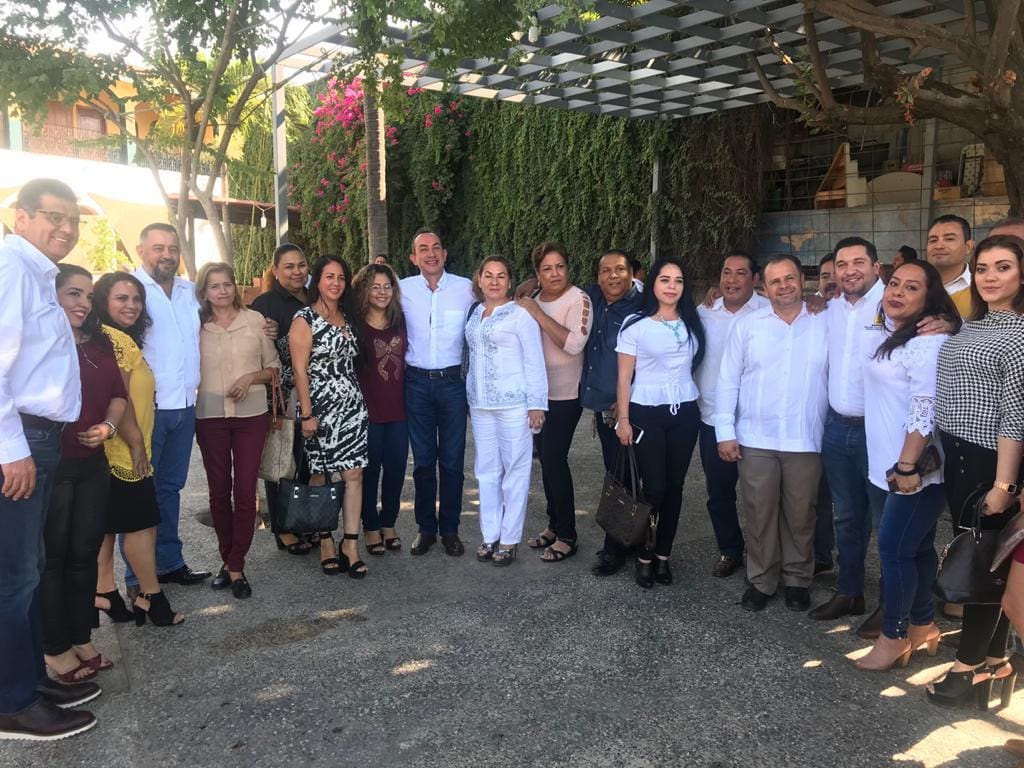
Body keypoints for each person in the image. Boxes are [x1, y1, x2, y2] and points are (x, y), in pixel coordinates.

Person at [0, 178, 97, 740]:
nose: (65, 227)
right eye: (53, 216)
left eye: (72, 219)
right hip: (21, 442)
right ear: (21, 217)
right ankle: (11, 702)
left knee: (28, 570)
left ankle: (30, 682)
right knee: (12, 577)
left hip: (41, 439)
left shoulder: (37, 274)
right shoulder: (11, 270)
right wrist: (11, 449)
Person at [927, 234, 1024, 708]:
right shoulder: (972, 325)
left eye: (1003, 267)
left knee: (983, 565)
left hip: (990, 461)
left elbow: (1015, 416)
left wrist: (1004, 485)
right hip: (959, 457)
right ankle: (996, 658)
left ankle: (967, 667)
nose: (990, 277)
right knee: (989, 560)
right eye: (983, 268)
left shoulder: (1020, 334)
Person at [855, 260, 958, 670]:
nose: (897, 292)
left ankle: (894, 635)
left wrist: (907, 466)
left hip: (913, 471)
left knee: (894, 549)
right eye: (894, 283)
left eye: (911, 288)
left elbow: (924, 408)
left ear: (929, 299)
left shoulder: (928, 342)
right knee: (916, 547)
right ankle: (922, 624)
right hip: (889, 464)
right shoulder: (898, 333)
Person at [715, 255, 828, 612]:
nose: (784, 286)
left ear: (802, 280)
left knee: (801, 514)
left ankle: (797, 579)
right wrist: (724, 432)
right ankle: (762, 579)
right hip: (756, 438)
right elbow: (727, 380)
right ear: (763, 287)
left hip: (804, 437)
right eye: (775, 281)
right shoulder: (748, 325)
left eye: (789, 278)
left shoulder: (825, 320)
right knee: (759, 512)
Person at [42, 265, 127, 684]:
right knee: (52, 558)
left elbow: (118, 395)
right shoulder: (42, 342)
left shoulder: (100, 342)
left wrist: (108, 427)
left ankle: (80, 636)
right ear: (51, 295)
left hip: (93, 463)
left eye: (88, 296)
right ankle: (53, 647)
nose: (83, 303)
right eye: (73, 293)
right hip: (53, 463)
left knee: (84, 554)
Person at [93, 272, 184, 628]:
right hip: (124, 452)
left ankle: (105, 592)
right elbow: (120, 398)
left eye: (136, 299)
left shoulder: (109, 337)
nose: (131, 305)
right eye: (121, 298)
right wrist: (136, 445)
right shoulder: (115, 340)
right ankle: (151, 596)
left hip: (111, 451)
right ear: (103, 301)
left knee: (108, 527)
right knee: (141, 527)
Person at [808, 237, 888, 631]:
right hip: (837, 429)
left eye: (859, 262)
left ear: (876, 267)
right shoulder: (830, 308)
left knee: (887, 522)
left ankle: (893, 606)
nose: (850, 270)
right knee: (847, 517)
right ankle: (849, 591)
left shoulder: (896, 304)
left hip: (881, 432)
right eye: (842, 264)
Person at [615, 258, 705, 589]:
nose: (671, 286)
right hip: (646, 412)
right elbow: (623, 378)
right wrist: (623, 419)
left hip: (685, 412)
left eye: (678, 280)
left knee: (675, 487)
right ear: (652, 283)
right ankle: (644, 554)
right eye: (665, 279)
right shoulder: (636, 324)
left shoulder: (693, 321)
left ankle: (664, 555)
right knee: (654, 487)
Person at [129, 223, 210, 587]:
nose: (167, 255)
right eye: (158, 247)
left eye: (172, 248)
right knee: (140, 493)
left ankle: (170, 563)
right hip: (147, 410)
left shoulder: (189, 291)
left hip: (185, 405)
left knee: (170, 490)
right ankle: (137, 577)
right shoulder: (130, 290)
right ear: (141, 250)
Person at [195, 263, 280, 600]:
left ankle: (235, 564)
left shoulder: (256, 321)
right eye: (214, 286)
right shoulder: (196, 327)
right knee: (218, 491)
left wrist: (250, 377)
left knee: (245, 491)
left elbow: (274, 367)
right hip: (210, 417)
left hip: (251, 417)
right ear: (204, 292)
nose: (222, 291)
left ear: (235, 287)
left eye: (227, 284)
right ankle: (228, 558)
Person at [289, 254, 369, 579]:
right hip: (319, 410)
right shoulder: (304, 319)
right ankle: (325, 540)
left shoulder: (349, 316)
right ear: (317, 281)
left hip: (352, 408)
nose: (335, 283)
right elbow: (299, 370)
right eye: (329, 277)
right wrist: (307, 414)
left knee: (354, 475)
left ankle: (350, 544)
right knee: (321, 475)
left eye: (341, 277)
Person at [466, 256, 547, 566]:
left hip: (514, 404)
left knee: (515, 470)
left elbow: (534, 359)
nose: (494, 281)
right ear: (480, 280)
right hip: (480, 404)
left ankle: (510, 538)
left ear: (510, 281)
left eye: (501, 276)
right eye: (488, 275)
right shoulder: (475, 313)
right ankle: (490, 534)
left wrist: (536, 404)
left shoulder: (520, 315)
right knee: (486, 471)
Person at [399, 229, 475, 557]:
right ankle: (426, 529)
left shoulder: (466, 289)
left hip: (453, 383)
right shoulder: (402, 290)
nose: (430, 254)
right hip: (415, 384)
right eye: (423, 249)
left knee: (453, 461)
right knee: (423, 461)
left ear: (444, 254)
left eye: (436, 248)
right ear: (413, 257)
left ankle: (451, 530)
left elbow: (500, 297)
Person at [516, 242, 592, 562]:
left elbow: (574, 344)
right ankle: (553, 524)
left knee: (554, 459)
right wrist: (530, 300)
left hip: (566, 395)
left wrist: (537, 313)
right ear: (537, 273)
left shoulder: (579, 299)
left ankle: (568, 535)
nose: (555, 273)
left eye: (560, 266)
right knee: (546, 461)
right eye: (547, 268)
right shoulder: (531, 298)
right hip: (536, 395)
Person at [695, 250, 768, 577]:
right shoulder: (704, 312)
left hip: (757, 420)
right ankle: (730, 550)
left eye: (741, 273)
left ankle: (765, 555)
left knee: (761, 496)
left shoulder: (769, 311)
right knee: (719, 492)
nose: (732, 280)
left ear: (755, 279)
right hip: (712, 419)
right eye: (727, 272)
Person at [581, 251, 643, 577]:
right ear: (598, 276)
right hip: (603, 407)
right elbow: (557, 288)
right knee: (617, 473)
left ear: (632, 273)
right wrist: (531, 282)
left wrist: (627, 399)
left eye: (620, 269)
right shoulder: (591, 297)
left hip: (630, 408)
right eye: (606, 270)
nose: (613, 276)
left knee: (625, 476)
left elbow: (652, 355)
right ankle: (630, 538)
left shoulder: (644, 306)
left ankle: (616, 548)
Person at [250, 243, 312, 555]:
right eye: (289, 266)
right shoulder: (265, 304)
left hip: (316, 391)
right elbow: (255, 349)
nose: (297, 271)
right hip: (283, 395)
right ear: (276, 271)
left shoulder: (315, 298)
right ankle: (283, 527)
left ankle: (305, 520)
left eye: (301, 265)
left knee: (309, 463)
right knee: (282, 462)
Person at [352, 263, 408, 555]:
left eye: (387, 286)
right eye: (375, 286)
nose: (382, 292)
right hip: (367, 412)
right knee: (369, 471)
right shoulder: (354, 324)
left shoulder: (401, 320)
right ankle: (370, 526)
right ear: (364, 290)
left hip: (399, 410)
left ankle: (389, 522)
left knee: (396, 469)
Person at [926, 214, 974, 317]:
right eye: (933, 240)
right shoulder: (913, 285)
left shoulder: (982, 288)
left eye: (949, 239)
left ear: (968, 247)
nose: (938, 246)